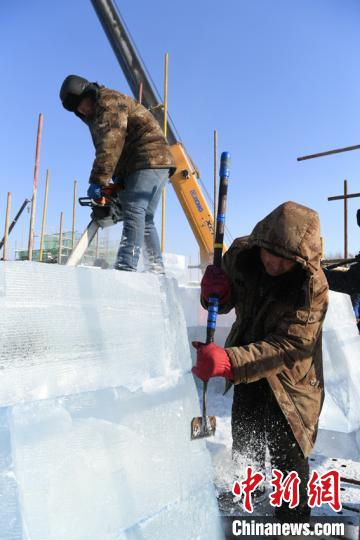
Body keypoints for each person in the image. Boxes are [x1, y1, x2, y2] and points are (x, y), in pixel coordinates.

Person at [192, 201, 329, 524]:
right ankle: (247, 495)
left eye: (286, 260)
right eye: (271, 254)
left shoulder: (313, 286)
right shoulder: (241, 255)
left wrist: (229, 361)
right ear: (261, 244)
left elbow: (290, 346)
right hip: (248, 364)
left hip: (291, 378)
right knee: (246, 436)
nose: (276, 264)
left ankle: (292, 521)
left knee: (287, 451)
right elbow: (220, 302)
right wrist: (216, 293)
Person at [59, 75, 175, 273]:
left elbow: (111, 144)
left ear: (89, 94)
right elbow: (118, 148)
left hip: (148, 157)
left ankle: (125, 267)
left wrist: (98, 181)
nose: (82, 109)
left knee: (134, 210)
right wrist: (117, 180)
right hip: (151, 162)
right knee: (144, 217)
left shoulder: (107, 103)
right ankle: (156, 269)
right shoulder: (97, 113)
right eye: (77, 109)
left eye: (82, 103)